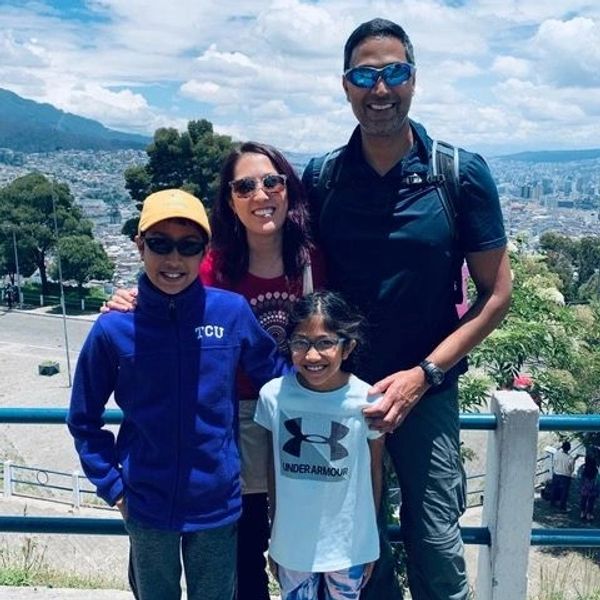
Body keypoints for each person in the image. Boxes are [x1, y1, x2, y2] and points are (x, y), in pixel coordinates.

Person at [302, 18, 512, 600]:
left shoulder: (459, 173)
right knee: (351, 546)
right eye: (364, 75)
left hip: (429, 392)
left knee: (436, 547)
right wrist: (156, 278)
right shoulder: (323, 177)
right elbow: (263, 249)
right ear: (345, 86)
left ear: (414, 80)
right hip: (343, 393)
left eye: (394, 72)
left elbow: (496, 295)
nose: (380, 89)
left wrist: (425, 376)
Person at [105, 142, 325, 600]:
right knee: (239, 552)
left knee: (300, 542)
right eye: (245, 186)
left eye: (272, 181)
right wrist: (131, 302)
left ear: (289, 189)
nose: (260, 193)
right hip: (227, 421)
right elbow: (171, 292)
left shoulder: (314, 260)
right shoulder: (211, 264)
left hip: (294, 410)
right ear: (229, 200)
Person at [68, 188, 288, 600]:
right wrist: (114, 487)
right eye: (159, 244)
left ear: (204, 251)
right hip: (146, 504)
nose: (173, 260)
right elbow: (83, 418)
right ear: (139, 246)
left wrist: (337, 388)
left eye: (188, 247)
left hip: (218, 502)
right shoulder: (112, 329)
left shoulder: (231, 313)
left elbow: (276, 379)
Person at [255, 290, 384, 599]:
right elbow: (273, 470)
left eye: (325, 343)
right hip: (292, 543)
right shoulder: (273, 395)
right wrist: (276, 535)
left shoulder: (368, 399)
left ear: (348, 346)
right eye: (301, 343)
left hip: (349, 545)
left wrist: (370, 540)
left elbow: (375, 472)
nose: (312, 356)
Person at [551, 440, 575, 511]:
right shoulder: (570, 458)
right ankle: (562, 506)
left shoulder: (556, 454)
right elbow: (572, 469)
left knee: (554, 489)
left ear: (562, 447)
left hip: (556, 474)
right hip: (565, 476)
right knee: (564, 492)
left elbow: (553, 464)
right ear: (569, 448)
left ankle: (552, 503)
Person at [579, 454, 599, 521]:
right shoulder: (595, 470)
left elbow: (581, 479)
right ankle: (589, 514)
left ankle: (582, 513)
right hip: (592, 488)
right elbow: (597, 480)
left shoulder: (584, 469)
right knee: (591, 501)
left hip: (585, 487)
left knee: (583, 500)